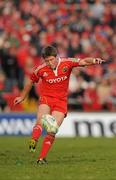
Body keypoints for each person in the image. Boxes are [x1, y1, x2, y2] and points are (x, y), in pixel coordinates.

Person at [14, 45, 105, 164]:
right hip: (46, 98)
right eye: (47, 61)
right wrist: (22, 96)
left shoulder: (67, 62)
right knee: (40, 120)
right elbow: (30, 81)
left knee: (52, 130)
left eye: (51, 59)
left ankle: (41, 158)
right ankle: (34, 140)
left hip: (61, 101)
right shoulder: (40, 69)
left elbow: (83, 61)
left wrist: (94, 60)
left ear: (57, 57)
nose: (49, 63)